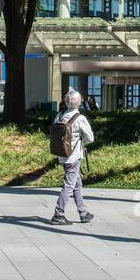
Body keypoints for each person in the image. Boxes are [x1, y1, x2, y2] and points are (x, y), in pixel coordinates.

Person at [50, 89, 95, 226]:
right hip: (73, 157)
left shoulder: (59, 115)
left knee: (77, 184)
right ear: (79, 103)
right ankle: (58, 214)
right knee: (69, 186)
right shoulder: (79, 118)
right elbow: (90, 138)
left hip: (61, 155)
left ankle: (83, 213)